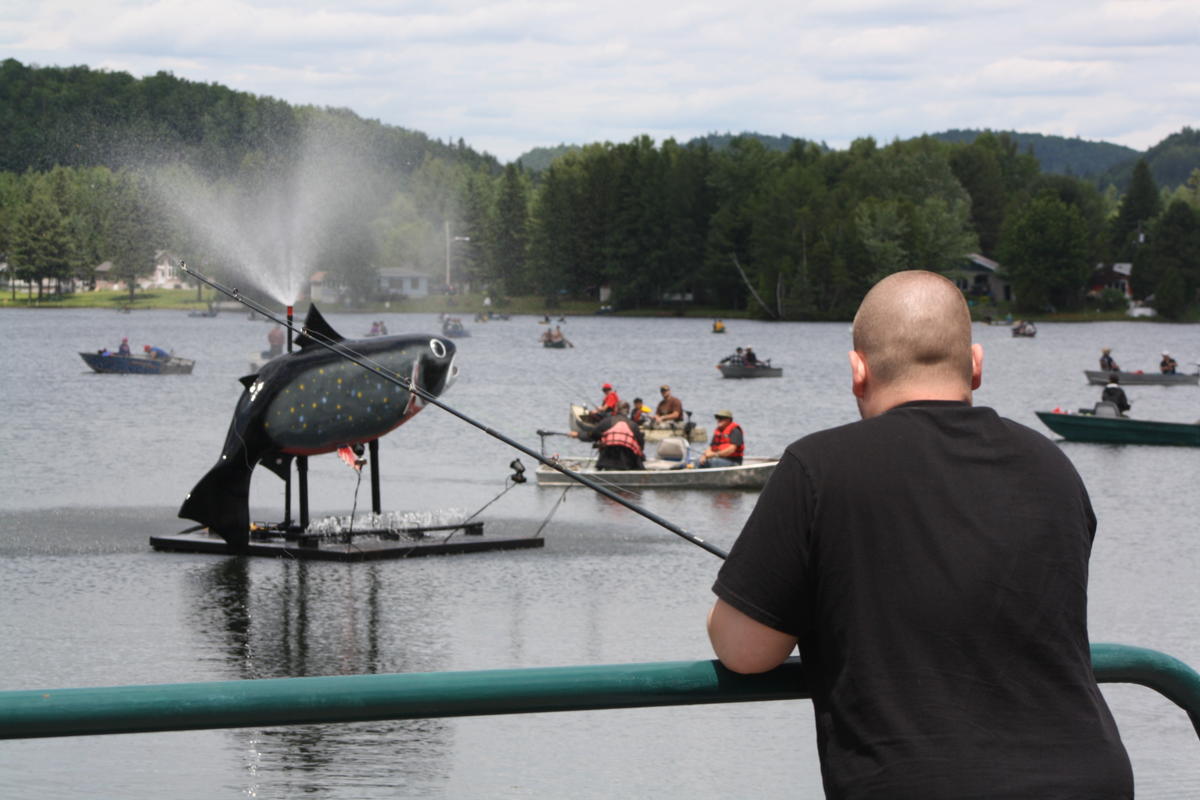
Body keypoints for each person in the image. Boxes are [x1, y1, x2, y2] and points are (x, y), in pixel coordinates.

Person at [707, 270, 1131, 799]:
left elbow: (744, 650)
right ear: (975, 366)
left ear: (857, 371)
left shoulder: (817, 466)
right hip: (1091, 780)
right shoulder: (1053, 466)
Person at [567, 401, 644, 470]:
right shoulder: (634, 426)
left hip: (606, 463)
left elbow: (591, 436)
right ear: (628, 411)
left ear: (616, 409)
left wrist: (578, 435)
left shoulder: (606, 422)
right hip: (629, 464)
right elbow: (641, 445)